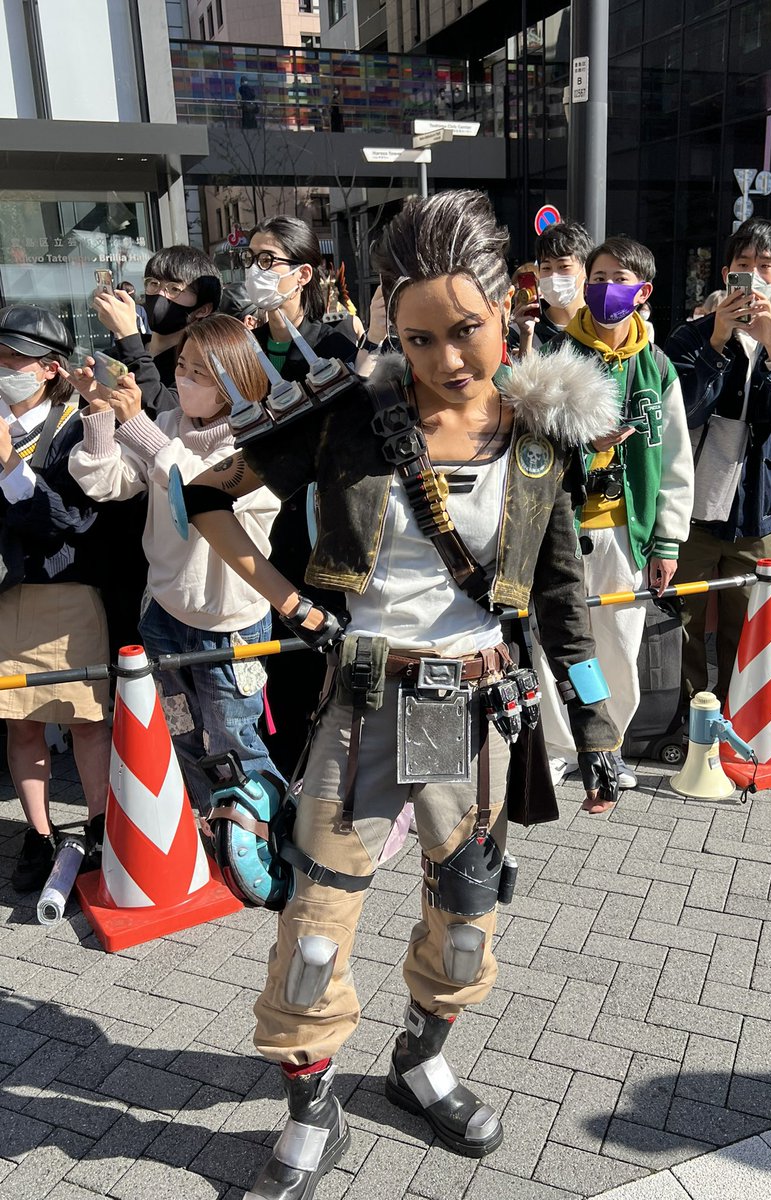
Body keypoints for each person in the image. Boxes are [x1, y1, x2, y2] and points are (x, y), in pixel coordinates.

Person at [176, 189, 622, 1200]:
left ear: (508, 308)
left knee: (466, 918)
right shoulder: (348, 421)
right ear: (393, 326)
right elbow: (202, 497)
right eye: (419, 338)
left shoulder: (540, 436)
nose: (445, 359)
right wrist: (292, 602)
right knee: (313, 926)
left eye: (464, 330)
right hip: (366, 701)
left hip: (472, 709)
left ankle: (420, 1062)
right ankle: (312, 1106)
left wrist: (596, 728)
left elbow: (560, 597)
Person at [68, 315, 282, 810]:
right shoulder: (167, 426)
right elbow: (109, 483)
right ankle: (208, 828)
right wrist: (98, 413)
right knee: (181, 734)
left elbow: (199, 489)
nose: (182, 379)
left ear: (234, 380)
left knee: (235, 740)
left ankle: (259, 837)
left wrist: (137, 426)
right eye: (181, 366)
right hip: (164, 612)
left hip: (230, 623)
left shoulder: (259, 440)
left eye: (198, 373)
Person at [532, 236, 693, 789]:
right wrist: (583, 439)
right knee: (555, 641)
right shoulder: (556, 354)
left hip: (628, 531)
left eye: (618, 279)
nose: (604, 289)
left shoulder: (657, 366)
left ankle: (610, 743)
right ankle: (559, 745)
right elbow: (531, 441)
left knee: (620, 646)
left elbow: (675, 460)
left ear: (642, 291)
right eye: (597, 278)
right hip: (561, 527)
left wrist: (668, 543)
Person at [665, 217, 771, 702]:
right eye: (743, 264)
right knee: (680, 622)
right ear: (726, 273)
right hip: (690, 509)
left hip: (757, 510)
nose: (753, 275)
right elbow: (679, 411)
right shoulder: (692, 336)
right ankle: (686, 716)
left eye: (764, 266)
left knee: (749, 624)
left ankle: (737, 715)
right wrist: (716, 342)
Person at [240, 215, 377, 774]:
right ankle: (275, 778)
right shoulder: (244, 343)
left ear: (301, 274)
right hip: (250, 521)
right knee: (268, 667)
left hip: (313, 522)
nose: (254, 271)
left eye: (266, 260)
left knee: (316, 654)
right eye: (249, 259)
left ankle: (324, 776)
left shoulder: (333, 343)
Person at [0, 306, 111, 892]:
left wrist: (7, 464)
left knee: (86, 720)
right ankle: (38, 834)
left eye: (13, 358)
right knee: (21, 724)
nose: (2, 367)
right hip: (5, 595)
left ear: (49, 369)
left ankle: (100, 827)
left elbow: (70, 519)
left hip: (67, 590)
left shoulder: (75, 423)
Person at [92, 245, 222, 399]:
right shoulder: (116, 355)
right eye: (153, 283)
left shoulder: (198, 365)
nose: (160, 294)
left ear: (203, 309)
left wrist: (127, 335)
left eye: (174, 289)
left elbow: (167, 408)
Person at [512, 220, 593, 357]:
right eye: (546, 268)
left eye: (563, 266)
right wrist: (526, 339)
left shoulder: (600, 328)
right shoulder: (520, 332)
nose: (554, 276)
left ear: (586, 269)